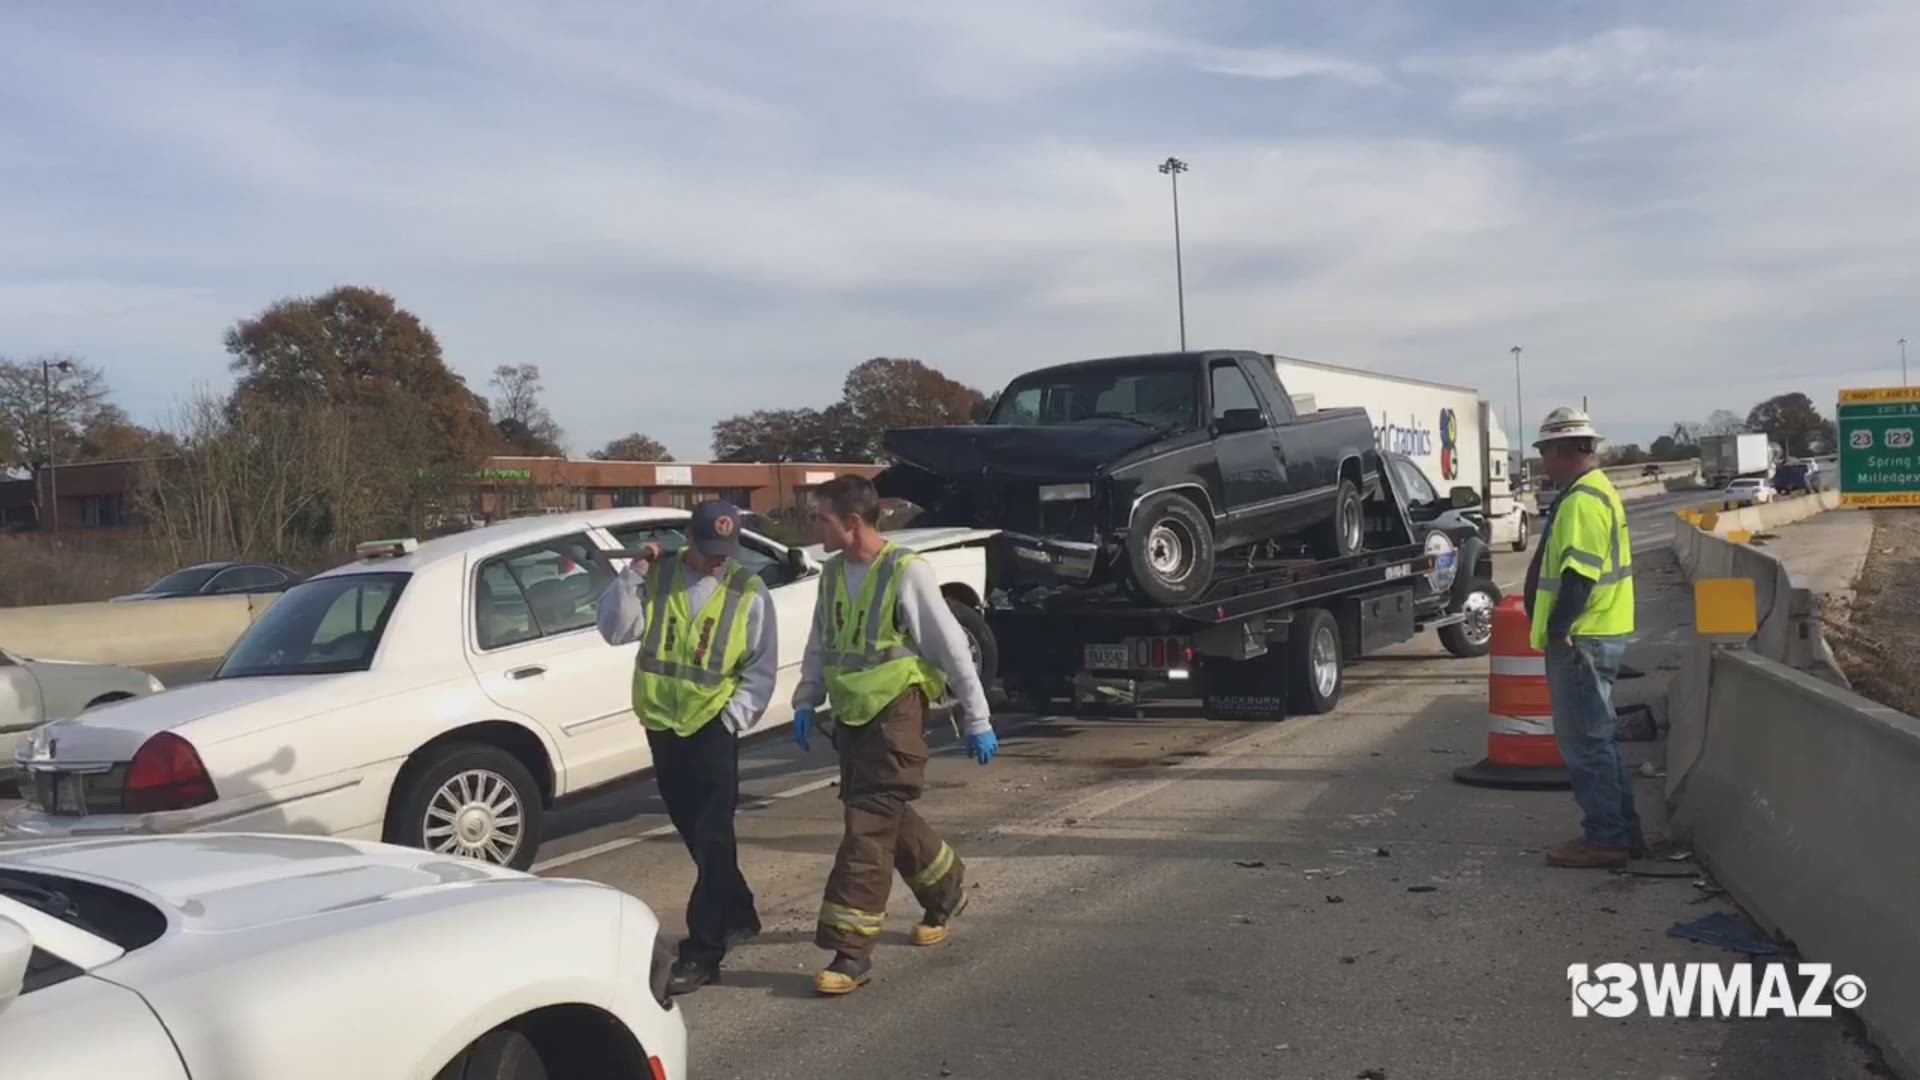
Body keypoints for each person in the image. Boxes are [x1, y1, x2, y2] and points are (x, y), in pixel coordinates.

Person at [791, 475, 997, 996]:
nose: (814, 526)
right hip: (852, 716)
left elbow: (951, 647)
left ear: (852, 522)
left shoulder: (906, 572)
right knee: (886, 814)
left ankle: (851, 951)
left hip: (895, 712)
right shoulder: (833, 574)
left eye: (821, 518)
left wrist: (977, 718)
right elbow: (821, 641)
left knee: (867, 827)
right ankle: (947, 889)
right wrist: (805, 699)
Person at [596, 499, 775, 993]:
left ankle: (703, 950)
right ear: (688, 541)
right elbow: (614, 629)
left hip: (714, 726)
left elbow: (761, 667)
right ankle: (738, 911)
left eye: (727, 549)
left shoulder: (749, 591)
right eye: (710, 549)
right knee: (697, 836)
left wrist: (732, 718)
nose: (720, 559)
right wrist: (634, 572)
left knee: (714, 835)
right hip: (663, 724)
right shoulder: (657, 578)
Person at [1523, 408, 1642, 869]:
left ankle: (1605, 839)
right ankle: (1622, 832)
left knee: (1585, 743)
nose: (1543, 463)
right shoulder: (1594, 494)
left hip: (1583, 638)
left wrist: (1559, 629)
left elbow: (1579, 575)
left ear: (1567, 450)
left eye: (1546, 452)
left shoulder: (1583, 501)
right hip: (1596, 633)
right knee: (1599, 739)